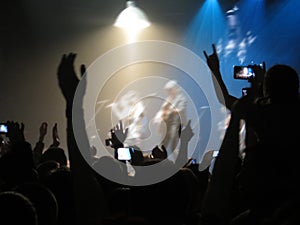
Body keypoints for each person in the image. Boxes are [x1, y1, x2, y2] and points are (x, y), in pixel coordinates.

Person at [154, 80, 187, 160]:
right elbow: (162, 110)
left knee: (174, 146)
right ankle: (161, 161)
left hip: (176, 124)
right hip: (167, 125)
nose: (168, 92)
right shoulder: (168, 99)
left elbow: (180, 110)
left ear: (175, 89)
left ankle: (181, 162)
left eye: (170, 90)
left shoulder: (181, 98)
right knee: (163, 145)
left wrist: (169, 111)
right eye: (167, 90)